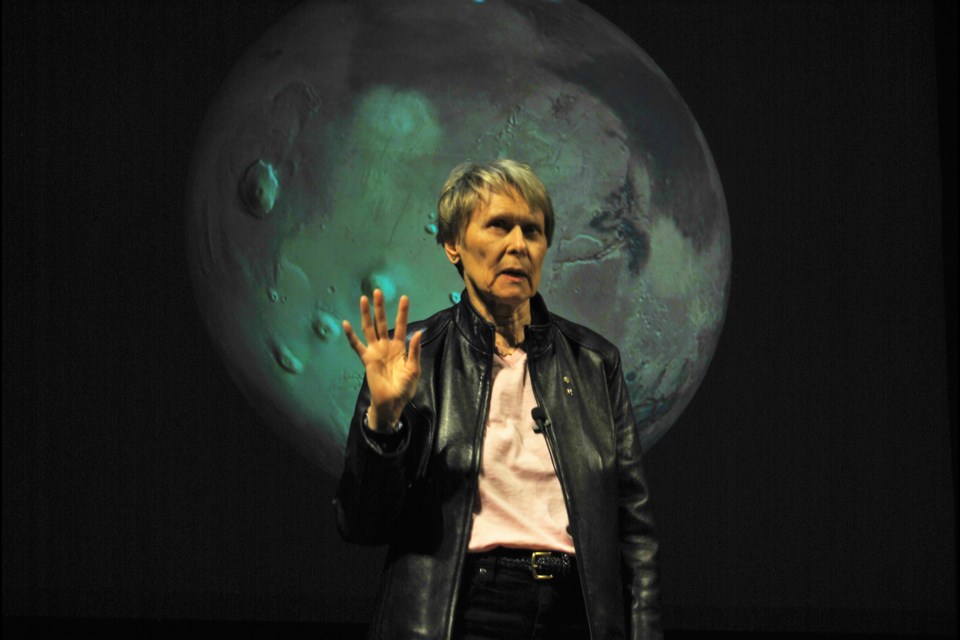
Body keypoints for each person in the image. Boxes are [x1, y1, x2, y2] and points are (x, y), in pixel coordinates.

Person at [334, 159, 662, 639]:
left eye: (533, 230)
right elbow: (362, 523)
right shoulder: (415, 359)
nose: (518, 245)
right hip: (464, 612)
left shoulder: (594, 363)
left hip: (578, 612)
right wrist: (383, 421)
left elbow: (634, 535)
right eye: (499, 226)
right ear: (453, 245)